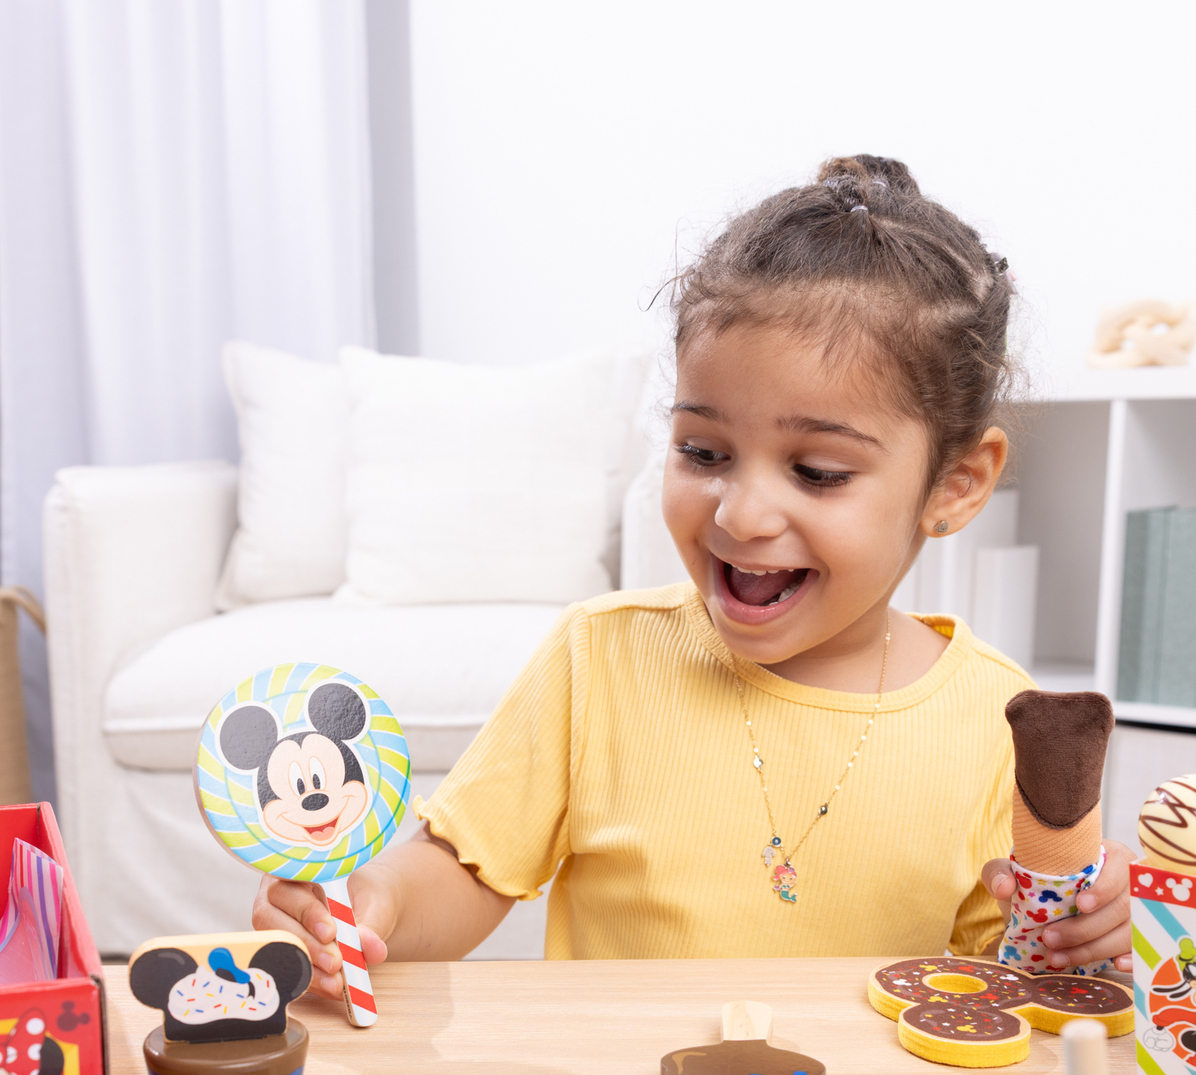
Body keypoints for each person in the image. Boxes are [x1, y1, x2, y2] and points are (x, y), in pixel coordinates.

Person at [254, 154, 1133, 997]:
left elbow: (1006, 980)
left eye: (818, 472)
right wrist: (376, 904)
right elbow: (466, 869)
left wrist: (1091, 932)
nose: (740, 515)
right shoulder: (599, 658)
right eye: (703, 452)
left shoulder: (997, 719)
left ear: (956, 484)